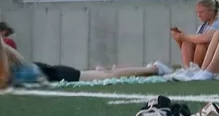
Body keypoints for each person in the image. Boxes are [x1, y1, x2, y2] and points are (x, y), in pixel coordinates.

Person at [2, 41, 170, 86]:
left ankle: (155, 68)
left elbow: (4, 81)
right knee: (107, 74)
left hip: (58, 74)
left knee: (110, 76)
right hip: (52, 72)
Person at [171, 0, 219, 80]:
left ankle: (198, 70)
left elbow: (205, 39)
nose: (198, 15)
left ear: (211, 11)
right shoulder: (203, 26)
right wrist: (180, 40)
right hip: (206, 61)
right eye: (197, 12)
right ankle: (189, 70)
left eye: (201, 12)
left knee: (200, 44)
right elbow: (191, 49)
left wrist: (185, 37)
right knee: (187, 42)